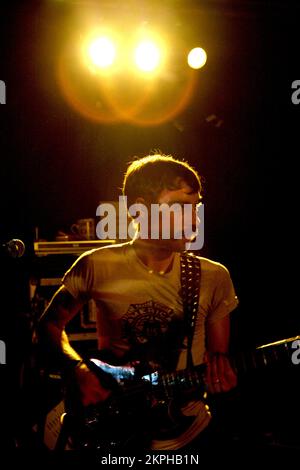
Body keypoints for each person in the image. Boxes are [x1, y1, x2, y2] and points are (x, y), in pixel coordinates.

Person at [38, 153, 238, 451]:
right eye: (181, 207)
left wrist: (220, 376)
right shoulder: (96, 265)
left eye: (196, 207)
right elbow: (48, 326)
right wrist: (77, 370)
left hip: (188, 432)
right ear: (142, 210)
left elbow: (218, 361)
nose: (195, 219)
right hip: (112, 429)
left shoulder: (213, 276)